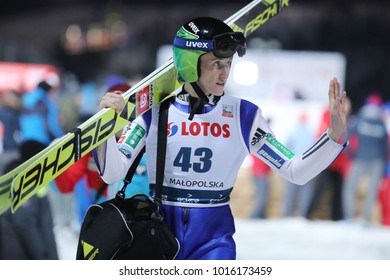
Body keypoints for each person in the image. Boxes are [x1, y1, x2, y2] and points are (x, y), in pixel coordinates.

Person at [94, 17, 349, 260]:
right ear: (189, 63)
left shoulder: (244, 115)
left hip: (214, 242)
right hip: (159, 238)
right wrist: (106, 125)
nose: (224, 73)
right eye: (216, 64)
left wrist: (333, 135)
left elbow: (296, 171)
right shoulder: (154, 112)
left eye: (228, 64)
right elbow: (112, 173)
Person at [0, 140, 59, 260]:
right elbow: (25, 225)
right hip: (23, 255)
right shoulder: (23, 182)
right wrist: (43, 257)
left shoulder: (30, 180)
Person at [342, 93, 388, 226]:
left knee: (350, 187)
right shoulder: (381, 123)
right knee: (371, 190)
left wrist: (352, 153)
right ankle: (366, 220)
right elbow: (386, 146)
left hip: (360, 159)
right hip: (376, 161)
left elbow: (346, 137)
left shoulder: (360, 119)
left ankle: (349, 217)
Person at [281, 112, 315, 218]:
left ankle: (287, 215)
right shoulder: (311, 134)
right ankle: (302, 215)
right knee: (305, 192)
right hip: (306, 166)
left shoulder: (293, 133)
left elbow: (285, 150)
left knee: (290, 192)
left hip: (293, 166)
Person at [19, 80, 64, 146]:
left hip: (27, 141)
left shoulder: (25, 98)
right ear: (49, 91)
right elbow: (52, 125)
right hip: (43, 142)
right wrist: (62, 137)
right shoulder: (47, 103)